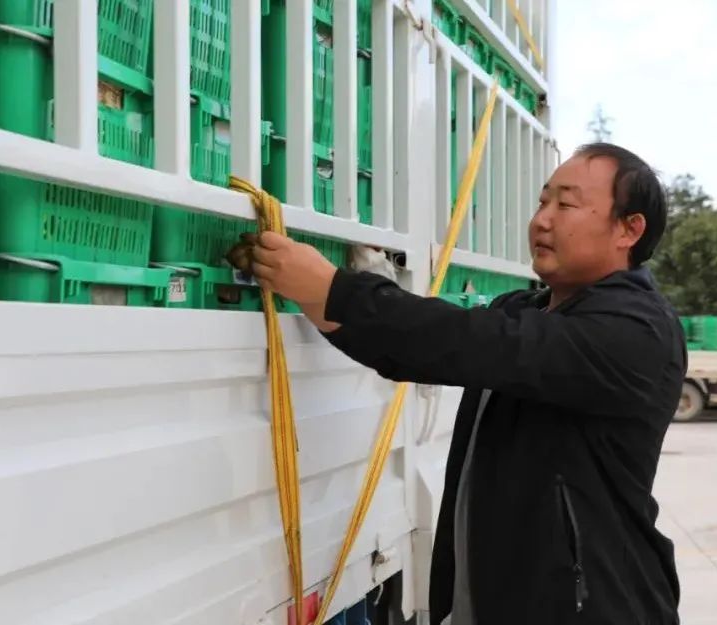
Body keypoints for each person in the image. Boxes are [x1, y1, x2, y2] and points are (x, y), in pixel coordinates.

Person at [245, 143, 685, 624]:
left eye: (567, 204)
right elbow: (424, 348)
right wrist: (318, 295)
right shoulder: (525, 310)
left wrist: (336, 291)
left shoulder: (637, 331)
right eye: (543, 201)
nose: (542, 220)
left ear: (628, 229)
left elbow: (469, 341)